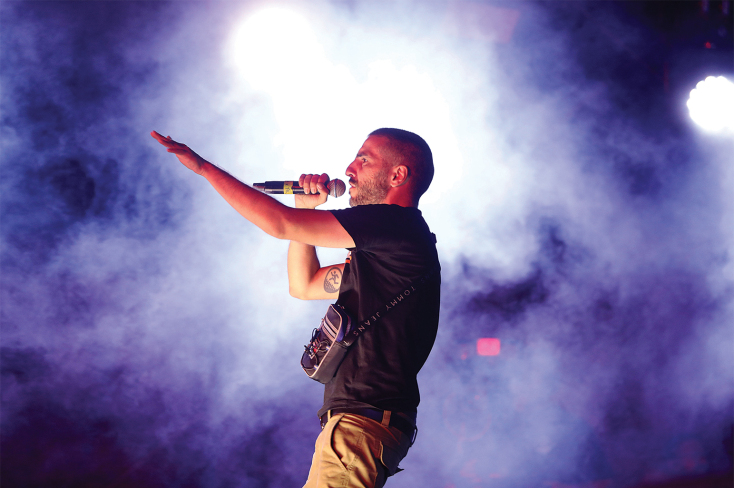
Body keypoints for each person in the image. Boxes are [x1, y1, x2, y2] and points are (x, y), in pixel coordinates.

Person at [151, 128, 441, 488]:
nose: (349, 169)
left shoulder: (395, 223)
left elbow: (280, 223)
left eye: (364, 159)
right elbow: (303, 285)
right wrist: (305, 207)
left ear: (398, 175)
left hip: (360, 426)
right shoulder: (390, 251)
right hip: (357, 426)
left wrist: (203, 168)